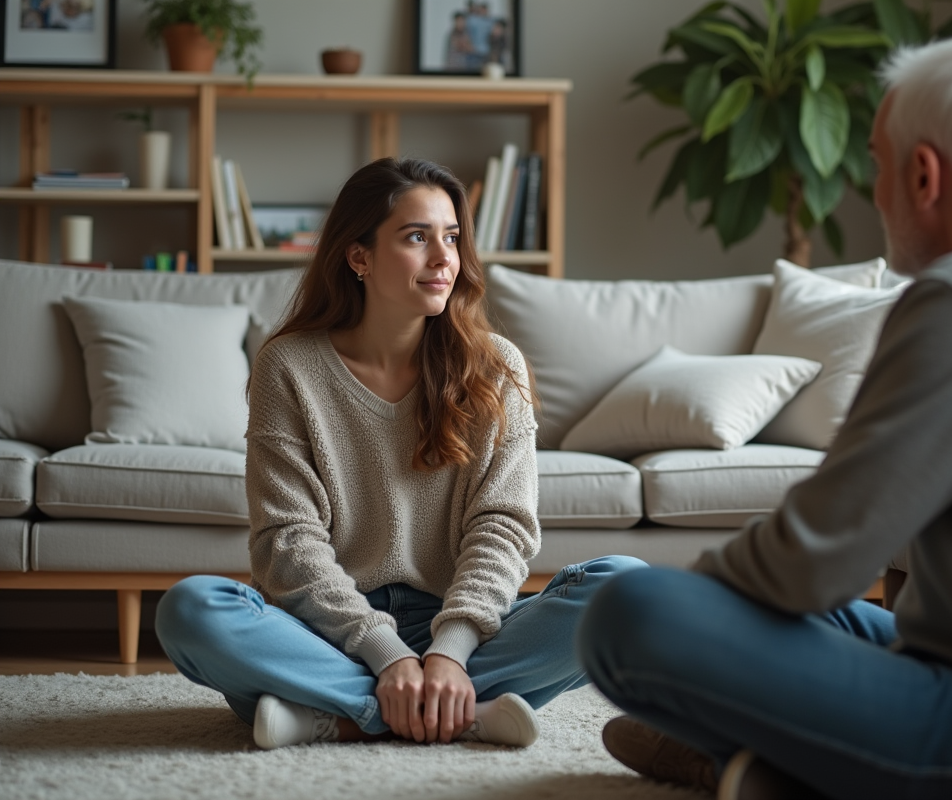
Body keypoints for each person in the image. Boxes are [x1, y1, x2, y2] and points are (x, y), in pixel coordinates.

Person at [578, 36, 952, 800]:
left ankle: (776, 770)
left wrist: (705, 606)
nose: (875, 191)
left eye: (875, 163)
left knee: (635, 611)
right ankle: (765, 768)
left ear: (923, 173)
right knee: (838, 625)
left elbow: (811, 561)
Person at [156, 157, 644, 751]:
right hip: (327, 630)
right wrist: (385, 655)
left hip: (463, 623)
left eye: (453, 238)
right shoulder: (289, 366)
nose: (445, 259)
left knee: (629, 592)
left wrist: (450, 652)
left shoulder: (495, 366)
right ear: (358, 257)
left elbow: (504, 527)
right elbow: (286, 540)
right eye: (417, 237)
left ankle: (337, 715)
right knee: (191, 610)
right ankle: (459, 713)